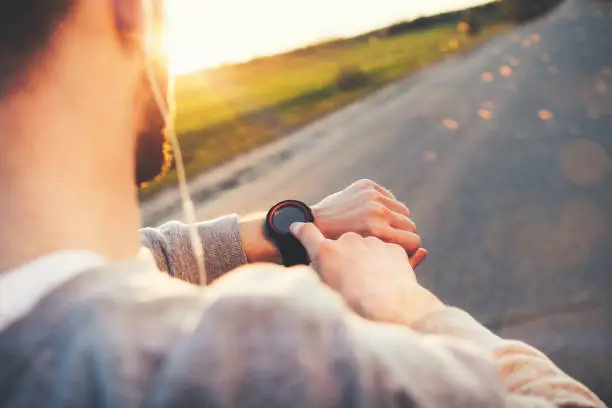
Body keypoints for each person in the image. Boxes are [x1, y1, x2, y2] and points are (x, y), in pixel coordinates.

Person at [0, 1, 606, 407]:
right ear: (131, 11)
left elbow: (149, 255)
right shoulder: (262, 362)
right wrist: (406, 306)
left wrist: (288, 224)